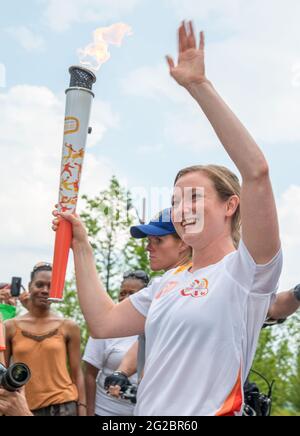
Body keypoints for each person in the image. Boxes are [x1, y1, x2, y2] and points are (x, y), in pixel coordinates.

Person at [52, 22, 282, 416]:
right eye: (175, 202)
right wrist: (82, 246)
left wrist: (198, 86)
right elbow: (104, 322)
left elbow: (257, 171)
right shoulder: (167, 284)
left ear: (231, 205)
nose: (181, 210)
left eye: (194, 197)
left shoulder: (247, 273)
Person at [105, 210, 192, 399]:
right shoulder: (160, 285)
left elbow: (102, 323)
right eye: (148, 241)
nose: (148, 248)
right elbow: (144, 338)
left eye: (158, 240)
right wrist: (121, 372)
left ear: (184, 242)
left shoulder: (193, 286)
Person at [4, 263, 86, 416]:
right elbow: (3, 370)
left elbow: (77, 373)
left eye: (50, 286)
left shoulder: (68, 326)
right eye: (39, 285)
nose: (44, 290)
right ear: (29, 286)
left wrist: (83, 408)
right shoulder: (10, 326)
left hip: (63, 405)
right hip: (23, 407)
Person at [83, 271, 149, 417]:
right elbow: (89, 375)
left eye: (132, 293)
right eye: (122, 293)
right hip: (105, 411)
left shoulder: (153, 327)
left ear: (145, 297)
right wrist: (88, 412)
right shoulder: (105, 328)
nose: (125, 298)